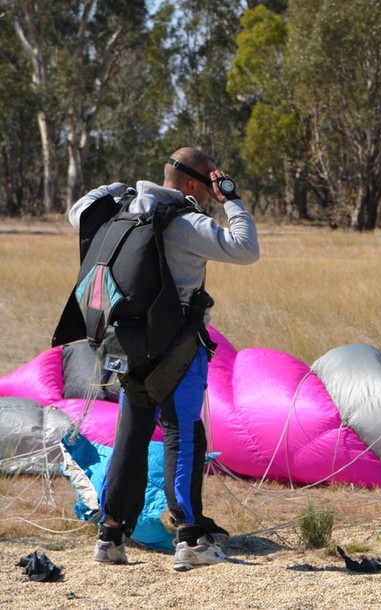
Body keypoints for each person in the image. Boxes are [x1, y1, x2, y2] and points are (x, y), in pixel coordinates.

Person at [62, 147, 260, 571]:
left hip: (125, 345)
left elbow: (78, 210)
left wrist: (116, 187)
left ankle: (111, 534)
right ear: (192, 184)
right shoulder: (186, 222)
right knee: (183, 435)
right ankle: (190, 537)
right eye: (208, 184)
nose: (210, 194)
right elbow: (246, 248)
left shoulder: (123, 208)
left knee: (130, 438)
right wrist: (233, 201)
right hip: (176, 347)